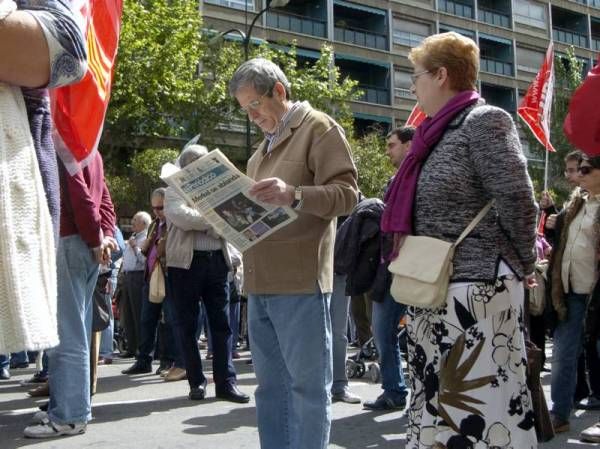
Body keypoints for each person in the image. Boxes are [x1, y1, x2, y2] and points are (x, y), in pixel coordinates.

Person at [382, 32, 538, 448]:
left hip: (478, 287)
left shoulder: (485, 121)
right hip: (430, 287)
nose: (411, 86)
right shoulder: (431, 136)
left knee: (478, 406)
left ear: (441, 75)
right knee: (432, 401)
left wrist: (524, 262)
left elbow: (519, 200)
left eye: (415, 76)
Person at [229, 58, 358, 449]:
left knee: (306, 389)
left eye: (254, 105)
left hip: (301, 281)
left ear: (279, 92)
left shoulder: (318, 128)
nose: (251, 117)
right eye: (244, 110)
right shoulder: (259, 153)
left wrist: (294, 195)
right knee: (270, 390)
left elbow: (348, 196)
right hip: (261, 280)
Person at [0, 0, 87, 356]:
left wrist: (96, 239)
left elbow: (69, 50)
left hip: (74, 242)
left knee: (74, 331)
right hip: (72, 239)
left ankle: (68, 405)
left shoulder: (82, 156)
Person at [24, 150, 117, 439]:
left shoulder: (64, 144)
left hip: (69, 240)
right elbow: (103, 198)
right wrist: (104, 235)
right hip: (84, 243)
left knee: (67, 334)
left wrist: (96, 238)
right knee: (73, 330)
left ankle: (69, 415)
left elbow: (81, 194)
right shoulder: (90, 147)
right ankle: (66, 407)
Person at [163, 144, 249, 402]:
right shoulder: (173, 189)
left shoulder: (222, 188)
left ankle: (226, 383)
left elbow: (233, 218)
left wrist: (210, 222)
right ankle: (196, 383)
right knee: (188, 326)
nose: (202, 168)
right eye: (197, 164)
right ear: (187, 167)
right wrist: (215, 223)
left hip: (217, 263)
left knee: (221, 326)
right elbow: (181, 217)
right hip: (184, 265)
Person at [363, 126, 415, 412]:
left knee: (422, 336)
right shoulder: (395, 182)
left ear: (409, 145)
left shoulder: (422, 176)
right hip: (392, 268)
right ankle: (394, 391)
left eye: (392, 145)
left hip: (420, 268)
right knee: (382, 331)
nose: (387, 150)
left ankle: (425, 395)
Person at [548, 153, 600, 433]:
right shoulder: (576, 203)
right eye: (578, 170)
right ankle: (560, 413)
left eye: (586, 169)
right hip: (569, 291)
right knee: (563, 354)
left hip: (596, 295)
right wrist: (553, 226)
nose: (579, 174)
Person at [121, 189, 180, 377]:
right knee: (147, 320)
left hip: (169, 276)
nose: (157, 211)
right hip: (151, 276)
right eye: (154, 207)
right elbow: (147, 251)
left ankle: (167, 361)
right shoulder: (155, 225)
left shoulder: (175, 224)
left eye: (161, 207)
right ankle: (143, 360)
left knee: (168, 321)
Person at [120, 211, 152, 357]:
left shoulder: (146, 238)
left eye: (135, 220)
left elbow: (144, 260)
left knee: (138, 313)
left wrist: (134, 247)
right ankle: (131, 348)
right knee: (128, 314)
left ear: (144, 224)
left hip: (138, 277)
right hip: (127, 278)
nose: (132, 222)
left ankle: (141, 349)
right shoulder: (133, 237)